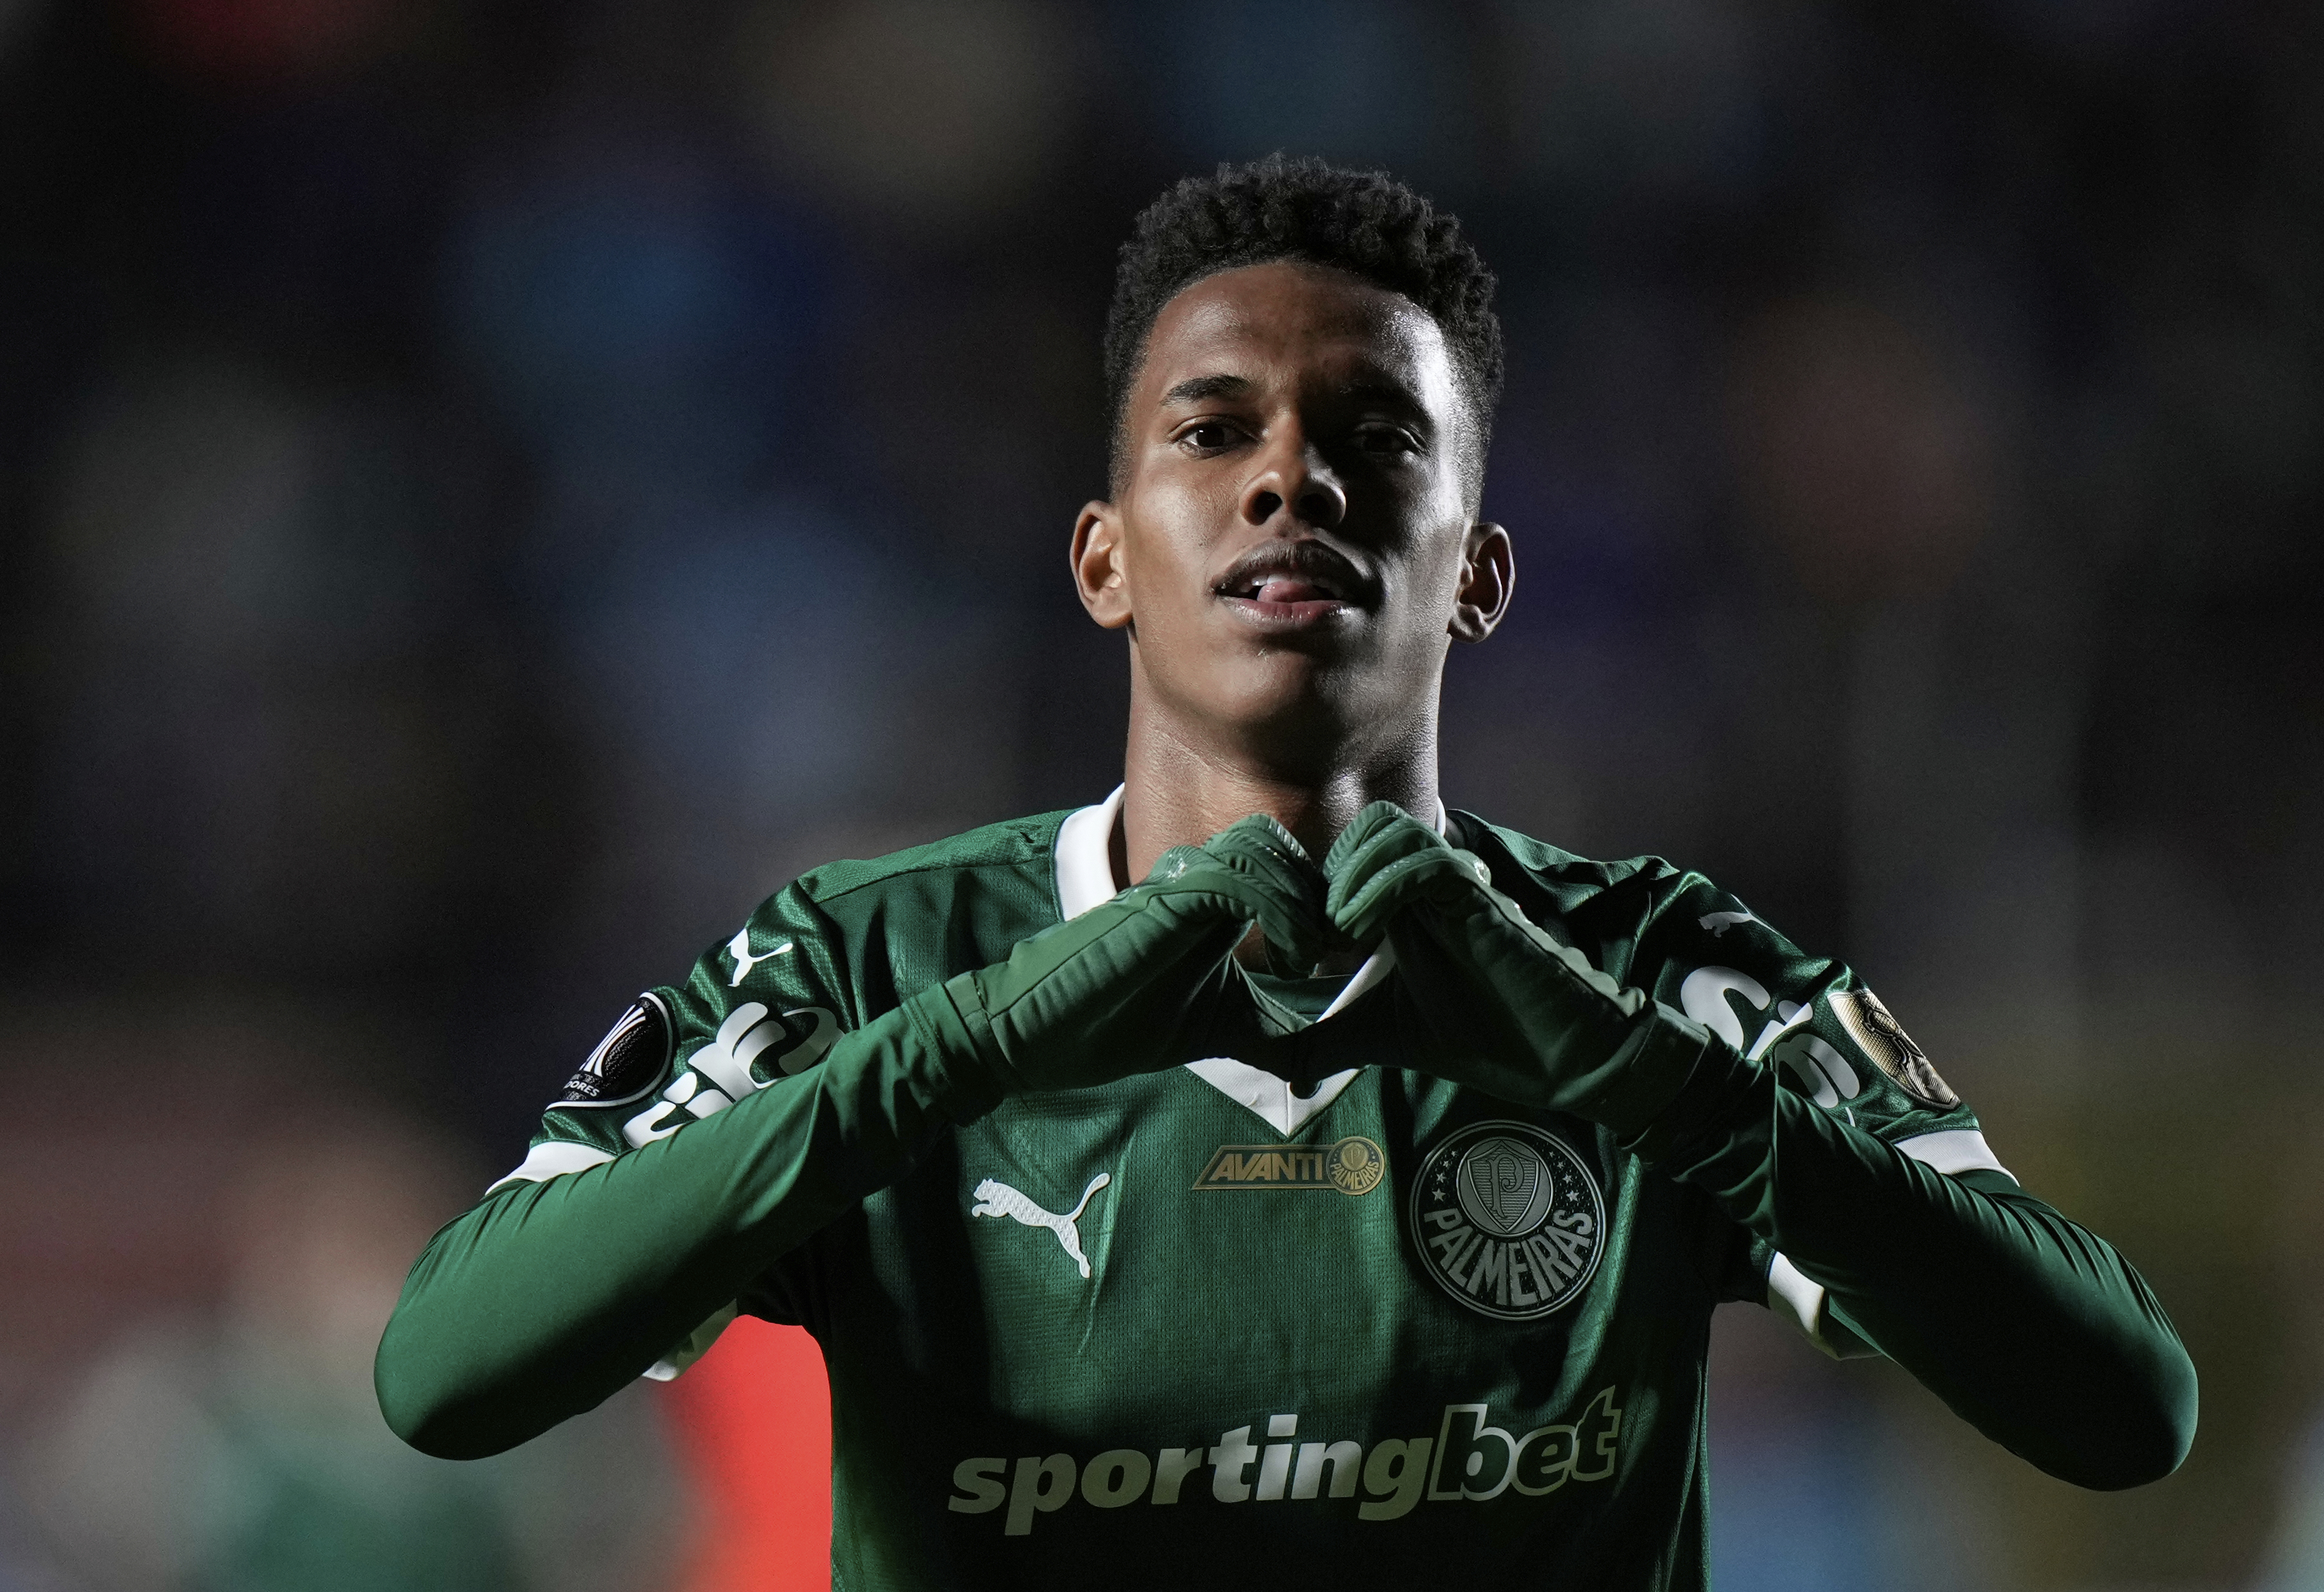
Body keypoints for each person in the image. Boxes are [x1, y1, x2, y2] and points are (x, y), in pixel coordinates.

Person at [376, 158, 2196, 1588]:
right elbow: (446, 1370)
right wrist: (961, 1051)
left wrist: (1638, 1075)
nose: (1290, 479)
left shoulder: (1650, 972)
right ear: (1103, 558)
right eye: (1212, 426)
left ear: (1476, 571)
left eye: (1376, 435)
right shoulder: (871, 967)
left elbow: (2122, 1407)